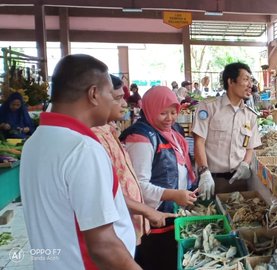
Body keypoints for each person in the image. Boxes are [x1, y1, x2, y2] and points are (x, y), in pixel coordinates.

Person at [20, 54, 140, 269]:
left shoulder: (35, 142)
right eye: (110, 96)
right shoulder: (82, 149)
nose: (114, 103)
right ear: (94, 94)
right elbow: (103, 246)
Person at [92, 75, 177, 247]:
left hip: (139, 218)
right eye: (118, 98)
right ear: (95, 96)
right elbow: (107, 193)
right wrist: (165, 199)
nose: (125, 103)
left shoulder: (110, 132)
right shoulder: (138, 137)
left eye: (174, 112)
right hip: (130, 221)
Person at [120, 86, 197, 270]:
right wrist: (173, 194)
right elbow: (138, 186)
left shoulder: (172, 131)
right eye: (163, 113)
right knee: (158, 260)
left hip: (171, 213)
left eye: (173, 112)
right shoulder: (141, 138)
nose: (169, 118)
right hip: (153, 219)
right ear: (150, 109)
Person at [192, 62, 262, 199]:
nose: (250, 85)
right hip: (212, 181)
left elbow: (250, 147)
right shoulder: (208, 107)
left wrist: (245, 164)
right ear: (231, 81)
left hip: (239, 182)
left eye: (251, 80)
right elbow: (199, 141)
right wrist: (204, 172)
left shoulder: (250, 115)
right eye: (246, 79)